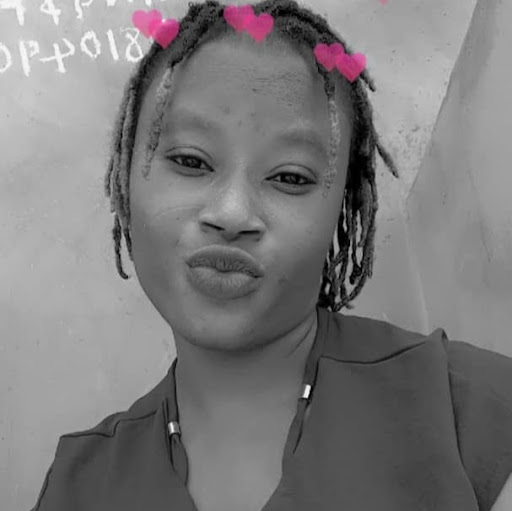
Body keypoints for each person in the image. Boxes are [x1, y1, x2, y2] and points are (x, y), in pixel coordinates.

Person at [30, 1, 512, 510]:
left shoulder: (468, 412)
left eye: (290, 177)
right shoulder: (76, 487)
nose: (232, 212)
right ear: (125, 181)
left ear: (341, 209)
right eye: (191, 160)